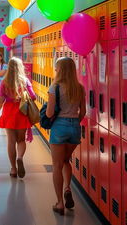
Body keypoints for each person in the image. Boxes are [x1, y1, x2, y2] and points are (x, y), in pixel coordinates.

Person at [46, 57, 86, 215]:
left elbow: (49, 113)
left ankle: (60, 203)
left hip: (59, 127)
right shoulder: (79, 87)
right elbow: (82, 112)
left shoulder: (54, 87)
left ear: (60, 69)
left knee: (57, 165)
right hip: (74, 127)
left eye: (56, 67)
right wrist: (74, 122)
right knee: (65, 161)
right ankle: (68, 188)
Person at [0, 57, 36, 178]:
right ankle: (20, 157)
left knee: (11, 141)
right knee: (21, 140)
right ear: (20, 68)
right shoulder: (25, 81)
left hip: (9, 112)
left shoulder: (4, 82)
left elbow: (1, 100)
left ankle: (13, 169)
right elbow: (33, 97)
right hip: (22, 112)